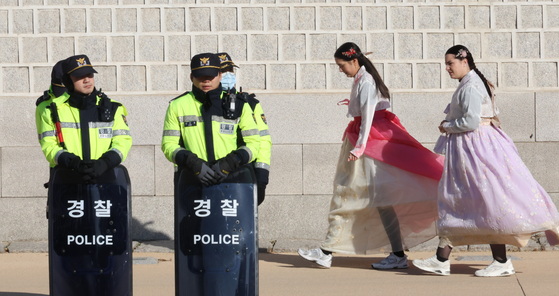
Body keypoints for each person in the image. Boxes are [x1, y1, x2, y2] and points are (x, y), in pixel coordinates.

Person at [412, 45, 559, 277]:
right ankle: (447, 259)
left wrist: (447, 126)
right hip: (476, 146)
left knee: (474, 199)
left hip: (474, 148)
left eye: (450, 63)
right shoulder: (473, 82)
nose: (447, 68)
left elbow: (470, 122)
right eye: (446, 64)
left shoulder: (471, 86)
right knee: (472, 200)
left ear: (464, 61)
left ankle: (491, 261)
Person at [298, 42, 444, 269]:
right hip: (366, 141)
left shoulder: (365, 81)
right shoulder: (363, 78)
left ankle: (326, 251)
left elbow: (367, 118)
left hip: (367, 143)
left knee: (347, 194)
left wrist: (359, 147)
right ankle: (396, 254)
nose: (341, 70)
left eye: (342, 65)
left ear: (354, 61)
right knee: (381, 202)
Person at [35, 55, 138, 296]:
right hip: (70, 187)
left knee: (109, 246)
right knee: (75, 247)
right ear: (67, 80)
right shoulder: (50, 109)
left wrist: (105, 163)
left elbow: (122, 142)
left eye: (90, 74)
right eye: (81, 76)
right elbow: (49, 146)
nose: (88, 79)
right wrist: (70, 161)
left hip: (106, 187)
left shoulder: (114, 108)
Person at [161, 52, 260, 186]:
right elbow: (169, 144)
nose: (206, 80)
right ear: (191, 77)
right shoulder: (177, 106)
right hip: (191, 183)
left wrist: (231, 162)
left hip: (233, 182)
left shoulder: (239, 105)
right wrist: (192, 162)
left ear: (220, 75)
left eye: (211, 75)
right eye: (201, 76)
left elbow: (253, 143)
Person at [218, 52, 271, 205]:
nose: (228, 75)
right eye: (222, 72)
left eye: (230, 71)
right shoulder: (204, 104)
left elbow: (263, 139)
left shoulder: (249, 103)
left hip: (244, 173)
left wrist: (261, 177)